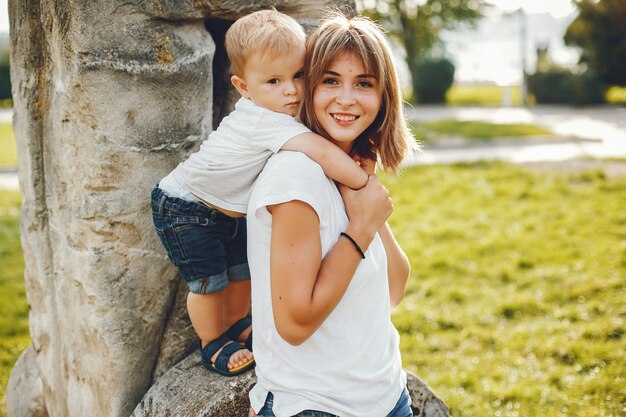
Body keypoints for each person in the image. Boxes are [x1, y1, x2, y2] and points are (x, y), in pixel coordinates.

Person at [150, 9, 368, 377]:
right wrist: (363, 183)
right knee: (209, 282)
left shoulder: (281, 112)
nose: (291, 89)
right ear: (243, 87)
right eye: (273, 81)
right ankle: (212, 341)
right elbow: (323, 152)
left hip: (224, 211)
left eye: (299, 75)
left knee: (242, 272)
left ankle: (237, 326)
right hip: (184, 207)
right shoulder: (264, 120)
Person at [247, 12, 416, 417]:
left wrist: (365, 200)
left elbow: (394, 289)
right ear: (307, 88)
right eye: (330, 80)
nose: (347, 98)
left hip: (387, 397)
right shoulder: (296, 177)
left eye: (364, 83)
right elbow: (295, 324)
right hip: (316, 406)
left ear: (383, 96)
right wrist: (360, 229)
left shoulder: (348, 174)